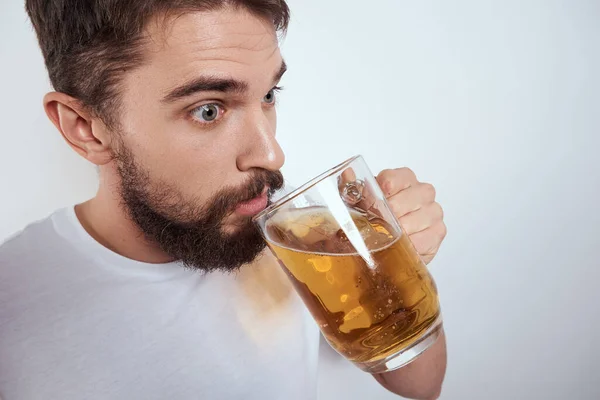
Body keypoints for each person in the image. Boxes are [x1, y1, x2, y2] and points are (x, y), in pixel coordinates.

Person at [0, 1, 447, 399]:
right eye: (208, 109)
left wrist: (397, 271)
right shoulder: (11, 308)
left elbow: (420, 386)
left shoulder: (304, 233)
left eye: (269, 95)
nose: (272, 154)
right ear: (85, 127)